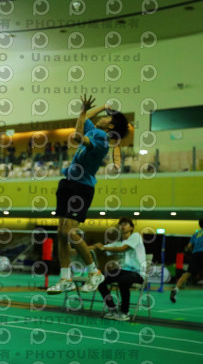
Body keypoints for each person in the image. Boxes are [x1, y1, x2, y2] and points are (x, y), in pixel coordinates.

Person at [47, 95, 129, 295]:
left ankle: (94, 272)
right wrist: (99, 107)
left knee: (70, 232)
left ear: (111, 126)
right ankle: (65, 278)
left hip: (81, 188)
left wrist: (84, 112)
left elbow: (76, 137)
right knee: (61, 232)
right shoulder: (94, 131)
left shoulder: (102, 140)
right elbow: (83, 120)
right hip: (68, 183)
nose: (102, 117)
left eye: (107, 116)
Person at [92, 217, 147, 321]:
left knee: (123, 281)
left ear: (131, 227)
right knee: (99, 279)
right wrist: (84, 247)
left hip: (137, 273)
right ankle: (112, 309)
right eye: (120, 224)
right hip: (122, 271)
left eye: (125, 224)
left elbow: (122, 249)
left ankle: (125, 312)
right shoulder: (118, 243)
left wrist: (103, 248)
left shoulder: (136, 236)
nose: (122, 226)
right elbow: (100, 248)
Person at [170, 219, 203, 306]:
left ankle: (176, 289)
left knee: (188, 273)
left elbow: (189, 246)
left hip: (195, 254)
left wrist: (191, 252)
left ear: (200, 225)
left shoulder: (195, 234)